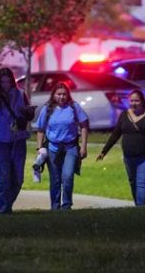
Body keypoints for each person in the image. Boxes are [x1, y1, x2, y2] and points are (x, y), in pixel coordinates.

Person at [97, 89, 145, 206]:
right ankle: (137, 206)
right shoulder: (124, 115)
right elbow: (116, 134)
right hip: (129, 156)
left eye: (136, 101)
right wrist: (104, 151)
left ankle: (140, 209)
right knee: (133, 182)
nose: (134, 103)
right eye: (131, 101)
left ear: (142, 101)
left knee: (142, 182)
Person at [0, 67, 32, 214]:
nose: (6, 84)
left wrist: (28, 113)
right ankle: (4, 209)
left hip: (18, 138)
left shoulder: (20, 94)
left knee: (18, 177)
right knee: (4, 174)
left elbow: (27, 115)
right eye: (2, 82)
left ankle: (6, 204)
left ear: (12, 80)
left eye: (8, 81)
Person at [35, 82, 89, 210]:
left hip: (70, 147)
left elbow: (84, 125)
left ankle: (66, 205)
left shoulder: (74, 107)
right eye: (58, 94)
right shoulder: (47, 109)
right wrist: (39, 148)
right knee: (55, 179)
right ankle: (55, 206)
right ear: (53, 95)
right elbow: (40, 129)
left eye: (64, 94)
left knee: (68, 176)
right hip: (53, 148)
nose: (61, 97)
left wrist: (83, 146)